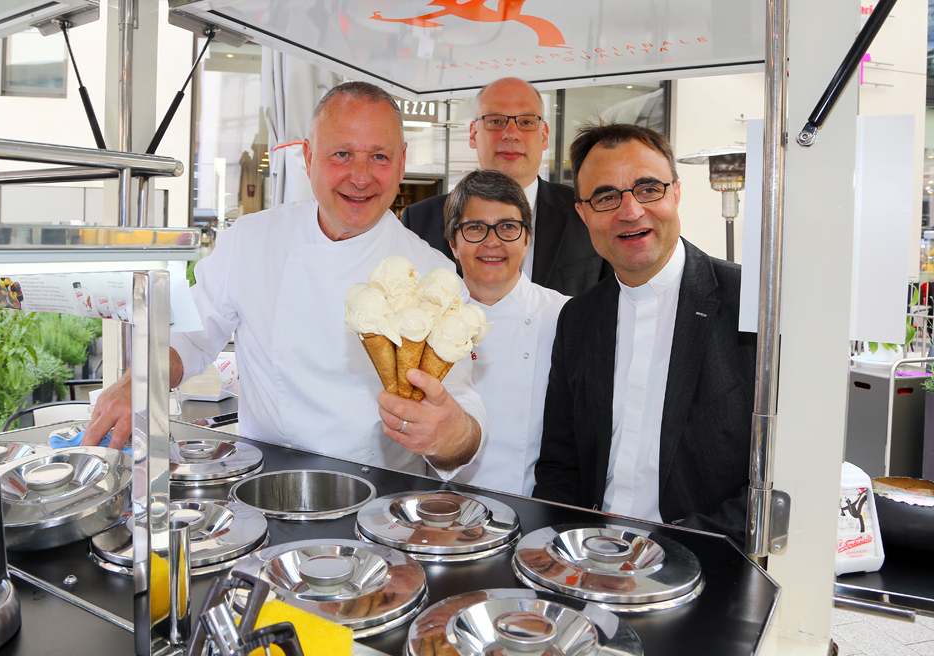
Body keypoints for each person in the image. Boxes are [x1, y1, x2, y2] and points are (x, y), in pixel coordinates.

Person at [84, 81, 486, 478]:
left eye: (379, 156)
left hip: (378, 490)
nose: (361, 177)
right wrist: (140, 381)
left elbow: (460, 407)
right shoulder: (251, 239)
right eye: (342, 154)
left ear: (401, 164)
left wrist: (452, 434)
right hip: (266, 480)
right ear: (308, 158)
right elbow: (190, 336)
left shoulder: (432, 274)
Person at [532, 122, 756, 543]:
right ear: (583, 214)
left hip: (706, 561)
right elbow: (560, 466)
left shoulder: (750, 303)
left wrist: (673, 554)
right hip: (590, 559)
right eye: (606, 197)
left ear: (676, 193)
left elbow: (782, 475)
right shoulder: (577, 318)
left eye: (648, 188)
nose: (631, 211)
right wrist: (559, 549)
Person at [401, 77, 609, 297]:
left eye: (526, 122)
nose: (511, 134)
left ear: (544, 135)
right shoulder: (419, 222)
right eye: (495, 121)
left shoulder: (589, 212)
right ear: (473, 133)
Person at [443, 170, 568, 496]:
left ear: (527, 240)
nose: (492, 242)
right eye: (475, 227)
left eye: (508, 227)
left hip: (532, 505)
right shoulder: (429, 319)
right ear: (453, 243)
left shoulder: (564, 316)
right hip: (443, 504)